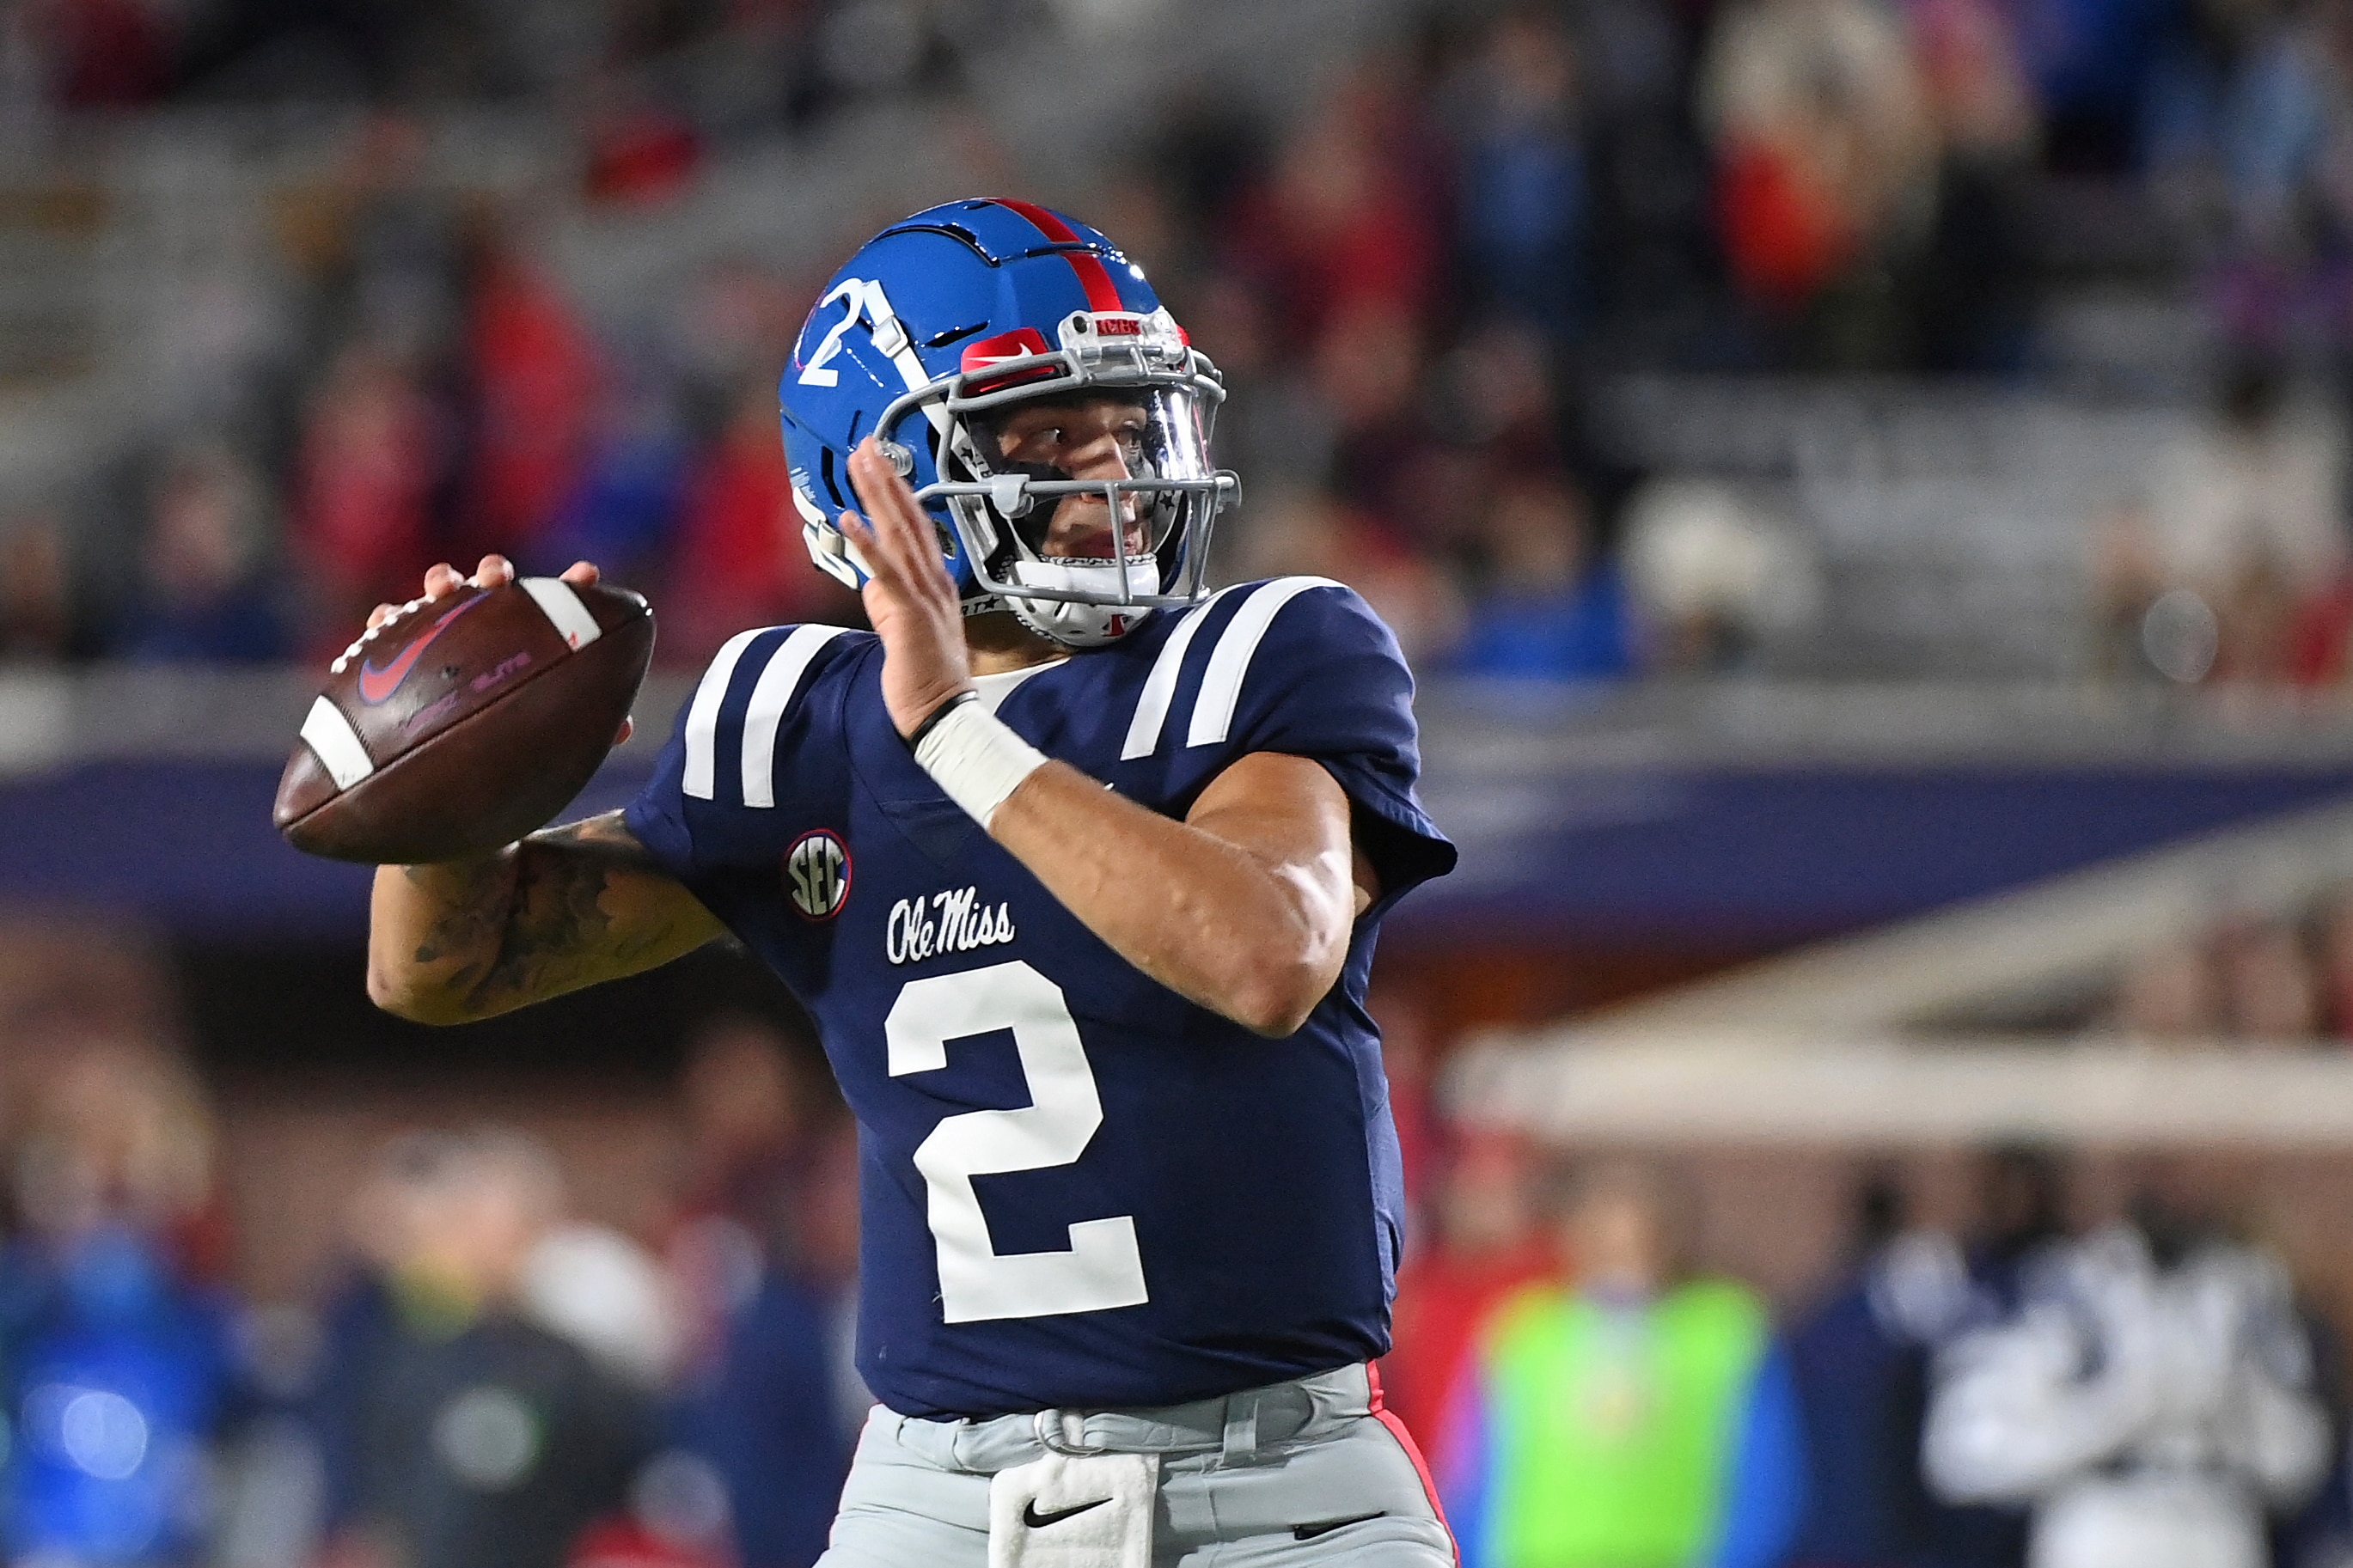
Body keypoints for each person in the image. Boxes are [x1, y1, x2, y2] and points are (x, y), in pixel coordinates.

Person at [358, 198, 1459, 1566]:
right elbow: (447, 967)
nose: (1108, 464)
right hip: (936, 1495)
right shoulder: (796, 718)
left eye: (1128, 419)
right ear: (866, 477)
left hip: (1274, 1488)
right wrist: (453, 775)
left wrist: (956, 734)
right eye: (1048, 432)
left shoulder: (1271, 650)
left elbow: (1266, 953)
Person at [1432, 1161, 1806, 1568]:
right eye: (1605, 1245)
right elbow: (1473, 1475)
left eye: (1641, 1243)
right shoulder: (1526, 1331)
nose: (1622, 1265)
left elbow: (1767, 1485)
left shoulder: (1725, 1331)